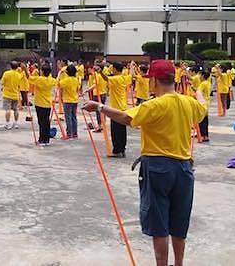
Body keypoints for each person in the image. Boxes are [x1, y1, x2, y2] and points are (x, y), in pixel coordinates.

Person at [82, 59, 206, 266]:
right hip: (184, 169)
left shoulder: (155, 105)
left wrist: (99, 107)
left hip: (158, 168)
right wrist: (198, 91)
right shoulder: (188, 102)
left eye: (150, 80)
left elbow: (126, 118)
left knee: (159, 224)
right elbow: (202, 108)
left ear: (155, 81)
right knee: (179, 221)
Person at [99, 62, 132, 158]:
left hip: (115, 109)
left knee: (115, 131)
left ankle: (117, 151)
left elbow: (106, 78)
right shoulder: (124, 77)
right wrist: (132, 67)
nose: (111, 69)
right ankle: (122, 149)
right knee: (122, 130)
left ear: (116, 69)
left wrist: (100, 72)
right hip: (122, 107)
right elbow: (131, 75)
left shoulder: (115, 79)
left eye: (112, 68)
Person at [28, 64, 57, 146]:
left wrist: (25, 69)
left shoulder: (40, 79)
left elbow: (29, 78)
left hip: (40, 104)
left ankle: (42, 140)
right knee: (46, 123)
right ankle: (46, 140)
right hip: (47, 104)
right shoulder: (51, 80)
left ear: (42, 71)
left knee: (41, 123)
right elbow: (55, 80)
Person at [58, 64, 80, 139]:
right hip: (75, 100)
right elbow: (77, 89)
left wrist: (60, 73)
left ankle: (69, 133)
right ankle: (75, 133)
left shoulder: (66, 80)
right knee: (74, 117)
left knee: (68, 117)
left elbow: (58, 83)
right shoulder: (76, 80)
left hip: (67, 100)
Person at [86, 62, 109, 131]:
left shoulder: (98, 75)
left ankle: (100, 126)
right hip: (103, 93)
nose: (94, 67)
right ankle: (102, 124)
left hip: (98, 94)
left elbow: (95, 85)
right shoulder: (102, 75)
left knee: (98, 110)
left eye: (95, 66)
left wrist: (87, 90)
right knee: (102, 109)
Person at [0, 61, 22, 130]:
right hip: (15, 94)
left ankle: (7, 123)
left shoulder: (6, 73)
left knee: (8, 109)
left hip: (7, 94)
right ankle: (16, 123)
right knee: (16, 109)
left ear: (10, 66)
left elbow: (2, 82)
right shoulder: (19, 75)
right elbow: (19, 85)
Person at [197, 71, 212, 142]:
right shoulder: (208, 83)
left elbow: (198, 92)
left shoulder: (202, 84)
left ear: (203, 76)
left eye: (200, 75)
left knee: (201, 120)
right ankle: (206, 136)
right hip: (207, 102)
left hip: (202, 103)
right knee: (205, 120)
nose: (199, 77)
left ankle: (202, 136)